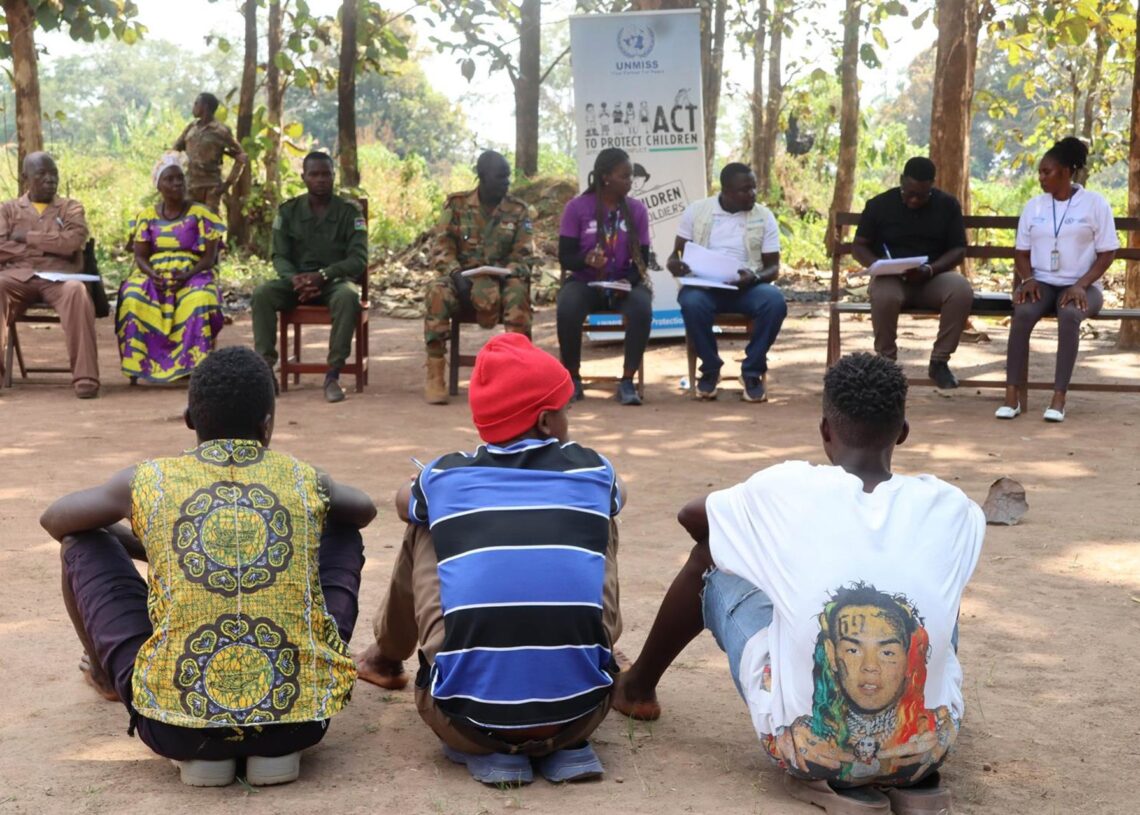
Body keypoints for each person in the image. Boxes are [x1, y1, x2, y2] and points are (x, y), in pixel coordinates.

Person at [612, 353, 984, 814]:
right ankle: (905, 763)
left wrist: (757, 557)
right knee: (927, 601)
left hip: (805, 748)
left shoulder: (788, 487)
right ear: (903, 431)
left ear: (825, 430)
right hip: (929, 749)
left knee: (710, 561)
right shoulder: (954, 507)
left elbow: (692, 515)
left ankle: (637, 688)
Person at [40, 346, 376, 787]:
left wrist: (148, 541)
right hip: (300, 721)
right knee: (343, 529)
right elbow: (365, 510)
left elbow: (56, 519)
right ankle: (282, 728)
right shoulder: (305, 478)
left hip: (174, 728)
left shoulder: (147, 480)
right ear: (268, 424)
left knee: (82, 538)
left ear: (189, 419)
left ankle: (106, 675)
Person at [355, 333, 624, 786]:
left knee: (425, 521)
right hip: (581, 717)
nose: (568, 421)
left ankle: (385, 657)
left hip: (465, 725)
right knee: (601, 515)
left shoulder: (444, 476)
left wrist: (430, 488)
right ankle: (572, 678)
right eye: (565, 410)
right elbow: (615, 497)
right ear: (544, 422)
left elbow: (403, 503)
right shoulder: (593, 469)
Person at [997, 137, 1119, 423]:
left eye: (1046, 172)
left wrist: (1081, 285)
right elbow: (1021, 252)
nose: (1041, 177)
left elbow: (1108, 252)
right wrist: (1027, 279)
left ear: (1066, 172)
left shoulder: (1094, 204)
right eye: (1040, 172)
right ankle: (1011, 395)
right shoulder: (1035, 206)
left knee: (1070, 314)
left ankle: (1058, 397)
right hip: (1043, 283)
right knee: (1023, 312)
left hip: (1083, 285)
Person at [251, 151, 368, 404]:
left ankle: (333, 375)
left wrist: (323, 275)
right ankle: (265, 370)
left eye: (326, 174)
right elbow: (279, 256)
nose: (321, 180)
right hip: (297, 283)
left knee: (349, 296)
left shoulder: (350, 212)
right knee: (262, 294)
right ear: (304, 177)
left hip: (334, 282)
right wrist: (295, 279)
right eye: (314, 174)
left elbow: (358, 260)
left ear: (333, 176)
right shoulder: (289, 211)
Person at [422, 150, 535, 405]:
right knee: (436, 291)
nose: (506, 182)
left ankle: (519, 375)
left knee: (519, 293)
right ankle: (435, 372)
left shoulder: (517, 210)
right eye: (500, 177)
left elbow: (525, 254)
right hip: (461, 279)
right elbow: (441, 246)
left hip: (503, 281)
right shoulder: (457, 205)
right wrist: (455, 274)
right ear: (482, 177)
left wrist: (506, 273)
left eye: (508, 177)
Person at [668, 162, 786, 402]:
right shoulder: (697, 211)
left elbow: (773, 268)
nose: (752, 194)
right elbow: (675, 255)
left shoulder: (764, 216)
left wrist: (754, 277)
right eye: (745, 190)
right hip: (705, 286)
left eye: (753, 188)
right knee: (691, 302)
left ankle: (752, 371)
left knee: (775, 301)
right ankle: (710, 369)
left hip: (747, 287)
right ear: (726, 191)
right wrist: (675, 265)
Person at [852, 157, 971, 390]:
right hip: (891, 277)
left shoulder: (947, 206)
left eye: (922, 195)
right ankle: (886, 364)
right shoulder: (879, 205)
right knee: (885, 296)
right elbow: (859, 245)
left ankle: (939, 362)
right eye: (909, 193)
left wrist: (930, 269)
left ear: (932, 187)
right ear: (901, 183)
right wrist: (878, 265)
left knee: (960, 290)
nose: (914, 200)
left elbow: (958, 250)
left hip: (931, 277)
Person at [116, 154, 225, 383]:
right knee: (133, 296)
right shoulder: (147, 217)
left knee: (200, 298)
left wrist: (186, 275)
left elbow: (209, 258)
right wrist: (152, 274)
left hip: (193, 273)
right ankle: (139, 364)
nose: (177, 183)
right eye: (170, 179)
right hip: (154, 275)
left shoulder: (201, 214)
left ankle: (196, 365)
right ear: (159, 185)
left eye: (180, 179)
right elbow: (140, 255)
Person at [557, 147, 652, 406]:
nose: (630, 181)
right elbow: (565, 256)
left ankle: (627, 382)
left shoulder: (637, 211)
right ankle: (572, 379)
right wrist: (585, 259)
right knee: (568, 305)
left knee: (642, 307)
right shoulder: (577, 208)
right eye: (624, 175)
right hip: (586, 282)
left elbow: (643, 259)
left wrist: (628, 281)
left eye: (631, 175)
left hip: (622, 283)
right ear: (605, 177)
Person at [0, 151, 99, 398]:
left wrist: (27, 238)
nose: (49, 179)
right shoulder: (8, 210)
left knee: (77, 291)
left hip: (59, 277)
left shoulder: (70, 208)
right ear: (25, 178)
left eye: (53, 173)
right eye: (41, 174)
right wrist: (51, 247)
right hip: (18, 277)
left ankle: (85, 378)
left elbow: (72, 242)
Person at [172, 92, 248, 212]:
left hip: (211, 189)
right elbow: (174, 150)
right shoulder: (191, 127)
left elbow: (241, 157)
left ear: (205, 107)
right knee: (188, 226)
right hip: (190, 187)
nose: (194, 107)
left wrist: (227, 184)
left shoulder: (221, 131)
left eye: (197, 104)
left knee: (210, 226)